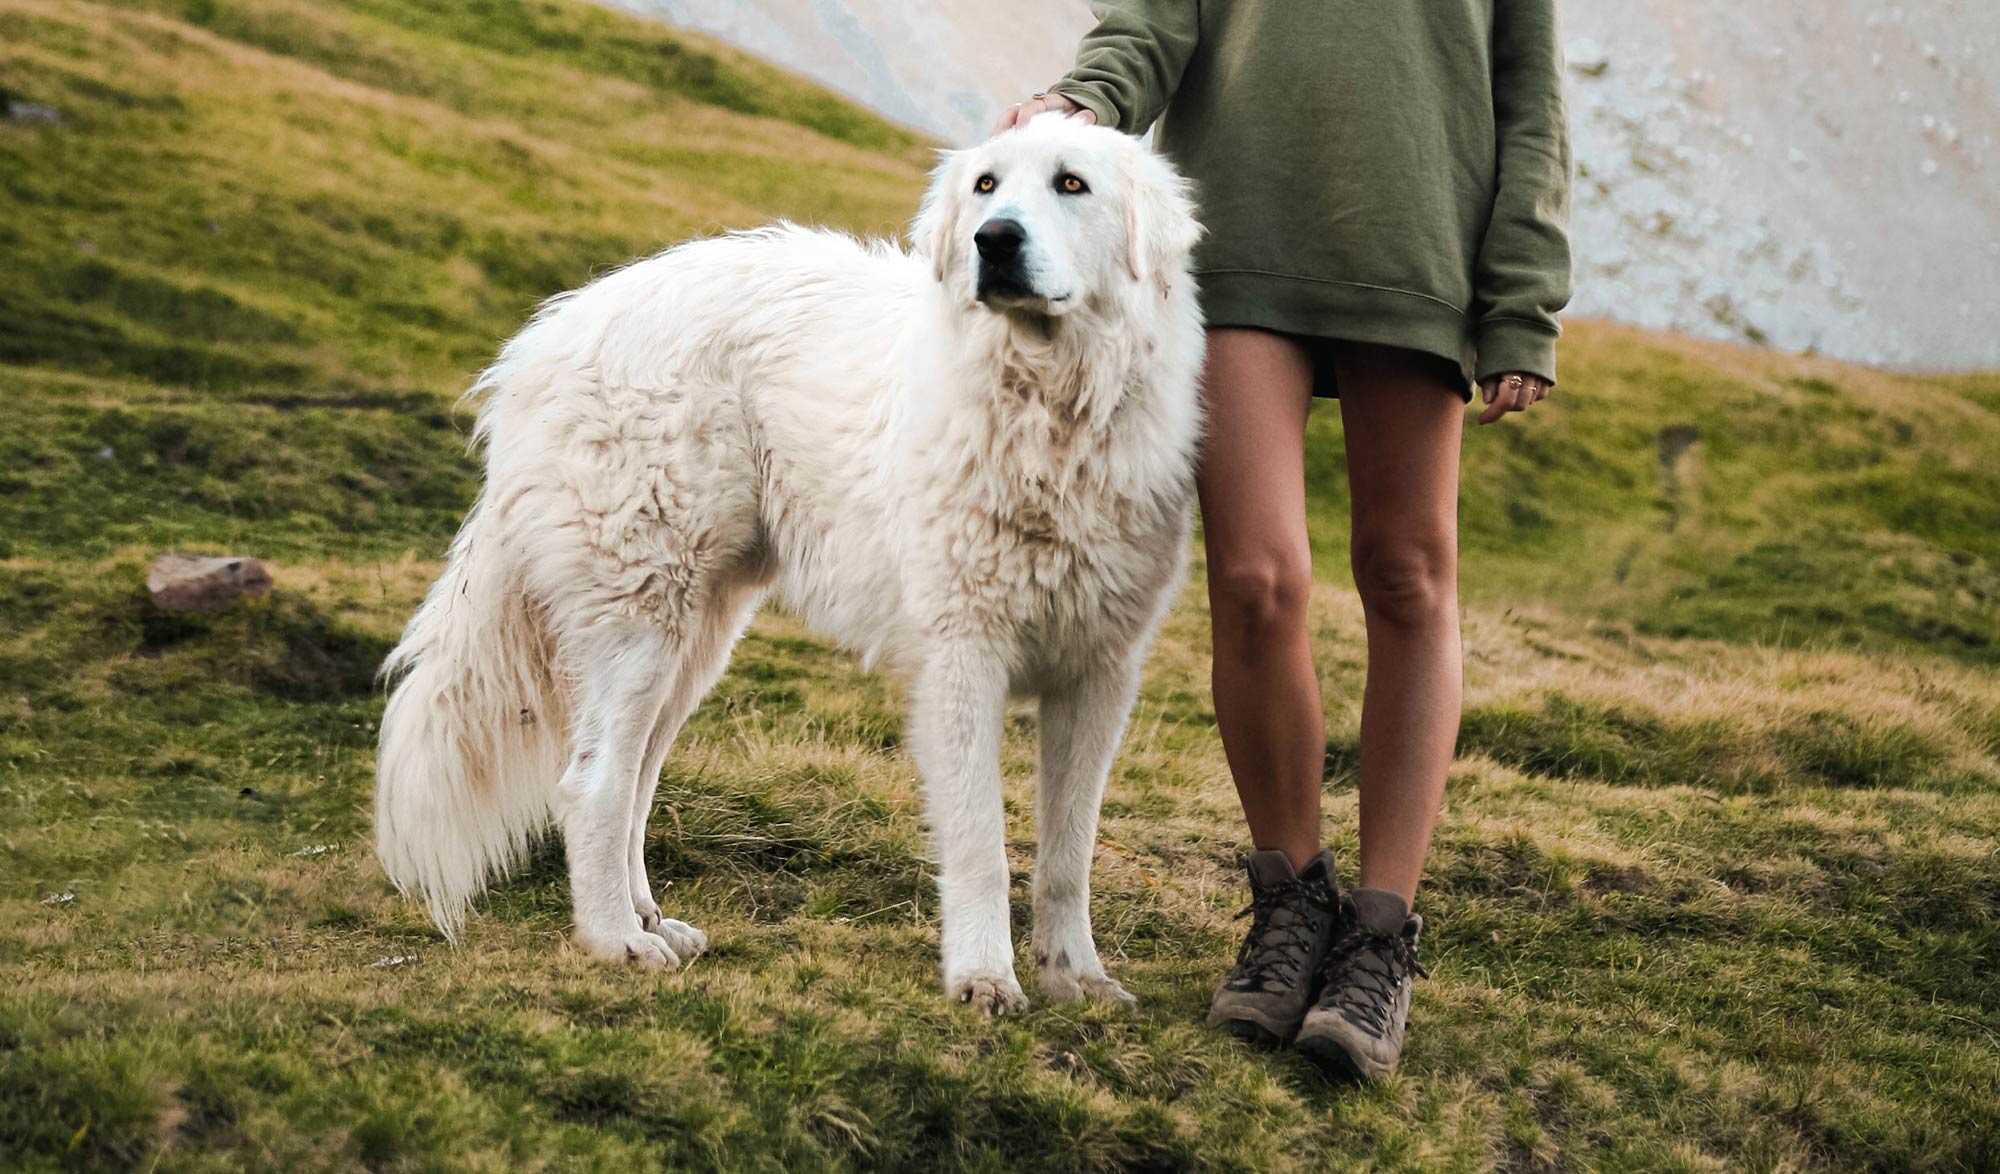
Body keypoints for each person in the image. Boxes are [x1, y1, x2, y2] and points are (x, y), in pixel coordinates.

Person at [993, 0, 1572, 1082]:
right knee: (1255, 579)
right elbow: (1150, 23)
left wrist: (1522, 295)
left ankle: (1379, 935)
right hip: (1238, 243)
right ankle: (1288, 902)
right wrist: (1084, 102)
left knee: (1404, 573)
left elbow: (1528, 96)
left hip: (1419, 252)